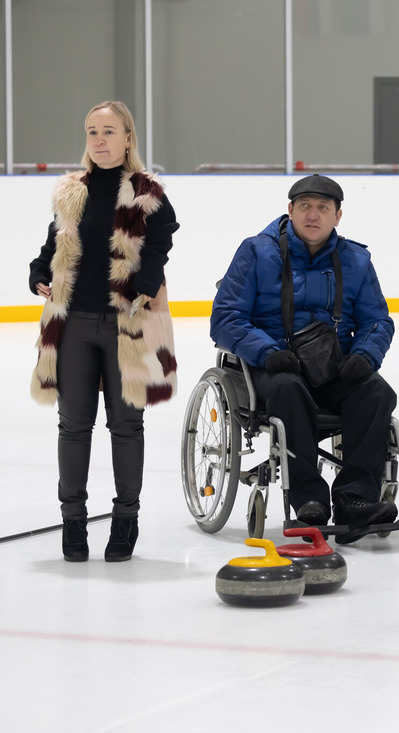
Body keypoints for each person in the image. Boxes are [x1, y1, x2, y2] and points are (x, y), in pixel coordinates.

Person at [211, 174, 398, 545]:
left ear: (338, 216)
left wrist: (364, 354)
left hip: (332, 366)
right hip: (273, 366)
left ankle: (354, 497)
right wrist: (266, 351)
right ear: (291, 210)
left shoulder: (356, 260)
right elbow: (225, 318)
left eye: (323, 208)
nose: (313, 215)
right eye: (305, 207)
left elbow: (377, 320)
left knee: (377, 392)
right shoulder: (256, 252)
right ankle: (309, 496)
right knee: (288, 390)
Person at [29, 100, 179, 563]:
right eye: (93, 132)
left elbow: (161, 238)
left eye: (109, 132)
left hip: (126, 324)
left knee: (126, 426)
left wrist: (148, 279)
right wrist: (37, 268)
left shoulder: (145, 192)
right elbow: (55, 240)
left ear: (128, 138)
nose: (99, 140)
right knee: (73, 426)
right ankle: (73, 522)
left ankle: (125, 520)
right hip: (73, 323)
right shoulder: (71, 190)